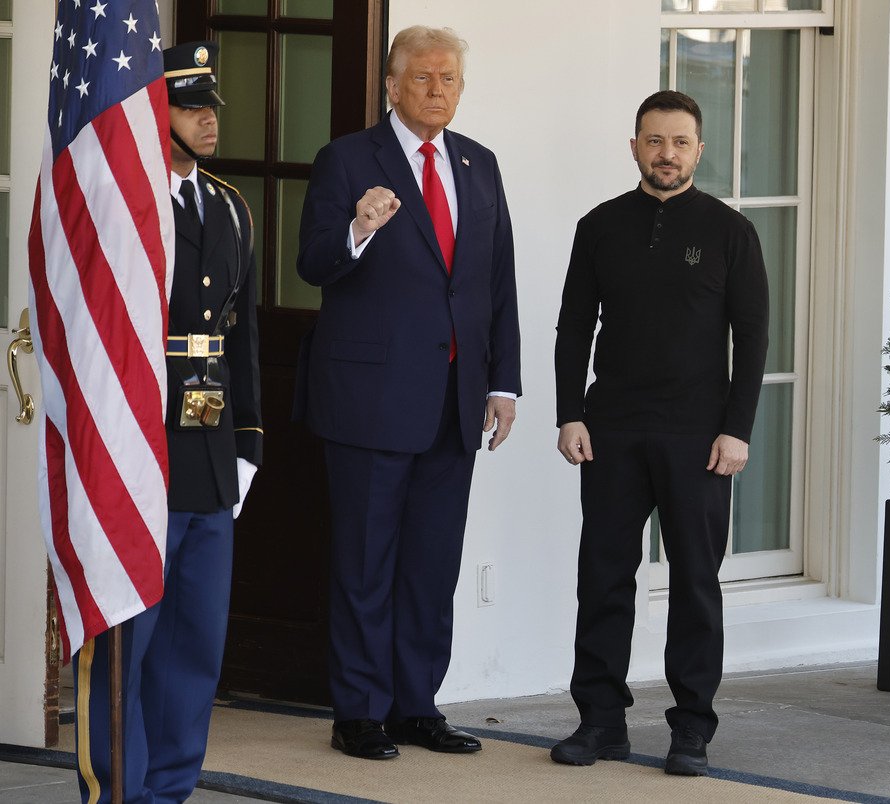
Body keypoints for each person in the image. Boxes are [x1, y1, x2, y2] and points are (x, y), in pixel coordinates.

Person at [294, 25, 520, 760]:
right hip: (371, 399)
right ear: (391, 86)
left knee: (430, 565)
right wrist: (358, 228)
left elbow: (496, 280)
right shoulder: (346, 159)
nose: (436, 90)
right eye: (422, 77)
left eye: (448, 78)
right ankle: (359, 712)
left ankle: (416, 705)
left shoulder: (478, 163)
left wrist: (503, 382)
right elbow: (312, 262)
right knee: (366, 564)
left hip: (455, 400)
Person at [550, 90, 769, 776]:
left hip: (699, 437)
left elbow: (753, 339)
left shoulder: (732, 232)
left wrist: (736, 430)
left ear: (699, 150)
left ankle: (692, 729)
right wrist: (569, 412)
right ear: (634, 146)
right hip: (611, 430)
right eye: (654, 141)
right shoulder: (599, 226)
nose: (665, 154)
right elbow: (573, 327)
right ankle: (600, 721)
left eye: (678, 142)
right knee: (603, 578)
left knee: (696, 583)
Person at [74, 41, 262, 801]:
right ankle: (118, 792)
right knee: (128, 646)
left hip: (209, 455)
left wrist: (246, 443)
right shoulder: (124, 203)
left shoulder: (229, 205)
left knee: (194, 646)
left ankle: (171, 791)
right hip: (137, 448)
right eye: (189, 107)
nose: (207, 120)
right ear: (156, 115)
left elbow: (242, 335)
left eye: (210, 105)